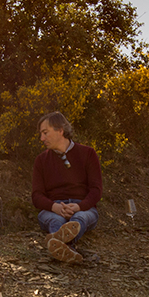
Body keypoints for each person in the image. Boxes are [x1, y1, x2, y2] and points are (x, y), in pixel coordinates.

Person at [31, 112, 102, 263]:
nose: (42, 139)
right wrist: (54, 207)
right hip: (53, 209)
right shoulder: (41, 160)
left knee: (79, 219)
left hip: (83, 208)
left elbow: (96, 190)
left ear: (60, 130)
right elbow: (36, 196)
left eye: (45, 133)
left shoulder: (88, 153)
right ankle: (68, 248)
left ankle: (59, 245)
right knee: (55, 220)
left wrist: (79, 206)